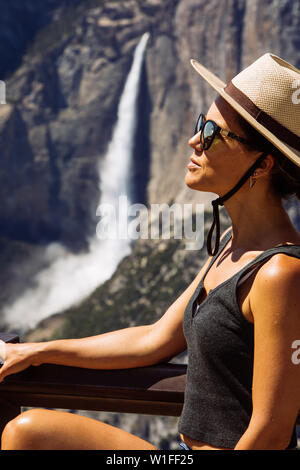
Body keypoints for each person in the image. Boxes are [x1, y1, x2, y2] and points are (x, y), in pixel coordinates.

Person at [0, 52, 300, 450]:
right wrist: (37, 350)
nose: (194, 140)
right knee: (28, 431)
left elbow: (270, 434)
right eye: (199, 124)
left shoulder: (281, 273)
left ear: (261, 165)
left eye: (211, 133)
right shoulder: (233, 247)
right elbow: (154, 339)